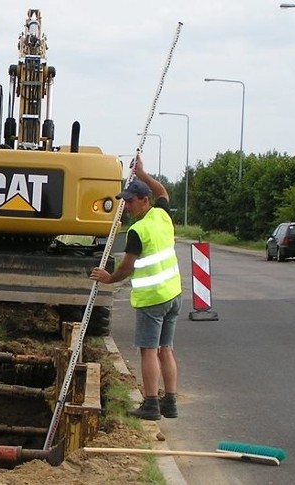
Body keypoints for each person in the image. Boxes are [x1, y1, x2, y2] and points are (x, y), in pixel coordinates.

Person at [90, 154, 182, 420]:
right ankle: (170, 402)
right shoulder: (162, 216)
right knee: (166, 349)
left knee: (149, 351)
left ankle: (152, 403)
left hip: (153, 299)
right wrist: (141, 173)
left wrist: (108, 278)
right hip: (173, 295)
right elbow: (162, 190)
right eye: (124, 201)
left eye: (130, 201)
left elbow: (127, 267)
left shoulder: (137, 231)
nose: (126, 206)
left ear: (144, 200)